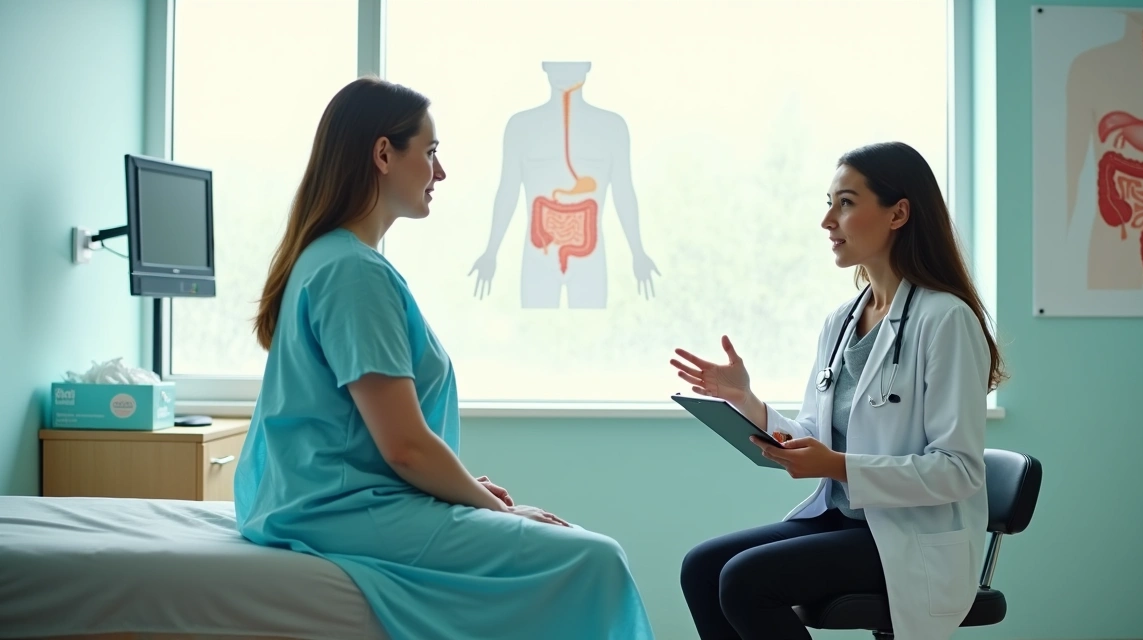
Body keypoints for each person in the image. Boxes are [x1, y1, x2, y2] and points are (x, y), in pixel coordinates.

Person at [234, 76, 654, 640]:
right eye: (430, 152)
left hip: (316, 501)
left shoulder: (328, 258)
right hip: (337, 513)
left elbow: (360, 437)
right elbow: (405, 447)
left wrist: (456, 489)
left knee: (567, 548)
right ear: (384, 153)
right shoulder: (353, 273)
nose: (441, 172)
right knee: (593, 560)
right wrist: (495, 511)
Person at [671, 141, 1004, 640]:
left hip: (911, 539)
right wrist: (746, 400)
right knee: (701, 567)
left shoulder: (945, 320)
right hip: (846, 520)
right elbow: (814, 434)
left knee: (744, 581)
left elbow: (957, 471)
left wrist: (836, 466)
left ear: (899, 213)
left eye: (845, 203)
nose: (828, 221)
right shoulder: (842, 322)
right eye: (828, 203)